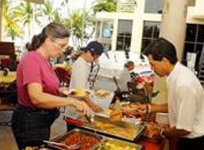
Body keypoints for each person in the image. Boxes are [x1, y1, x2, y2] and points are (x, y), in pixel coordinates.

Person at [11, 22, 92, 150]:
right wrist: (71, 101)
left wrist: (60, 91)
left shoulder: (46, 61)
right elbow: (36, 97)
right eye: (61, 46)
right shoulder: (32, 60)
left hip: (42, 120)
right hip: (30, 122)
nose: (63, 51)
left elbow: (44, 88)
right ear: (48, 40)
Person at [137, 37, 204, 150]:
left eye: (153, 64)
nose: (152, 68)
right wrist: (150, 108)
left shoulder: (184, 84)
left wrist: (162, 133)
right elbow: (175, 105)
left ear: (164, 61)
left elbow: (185, 128)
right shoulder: (174, 76)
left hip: (194, 142)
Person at [65, 41, 104, 129]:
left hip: (79, 107)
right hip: (75, 110)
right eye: (95, 57)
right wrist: (92, 105)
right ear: (88, 51)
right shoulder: (80, 66)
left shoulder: (85, 64)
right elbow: (80, 91)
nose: (95, 59)